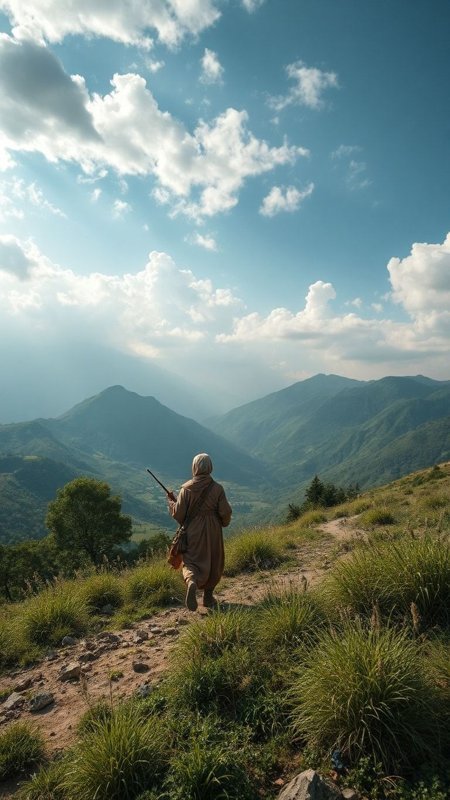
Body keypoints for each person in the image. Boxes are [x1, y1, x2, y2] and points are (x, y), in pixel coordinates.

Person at [167, 453, 232, 611]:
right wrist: (223, 522)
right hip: (213, 530)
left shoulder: (186, 489)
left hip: (193, 531)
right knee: (214, 560)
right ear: (210, 467)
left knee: (191, 560)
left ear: (194, 467)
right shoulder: (217, 488)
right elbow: (225, 512)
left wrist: (171, 502)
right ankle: (208, 597)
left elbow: (179, 514)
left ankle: (191, 581)